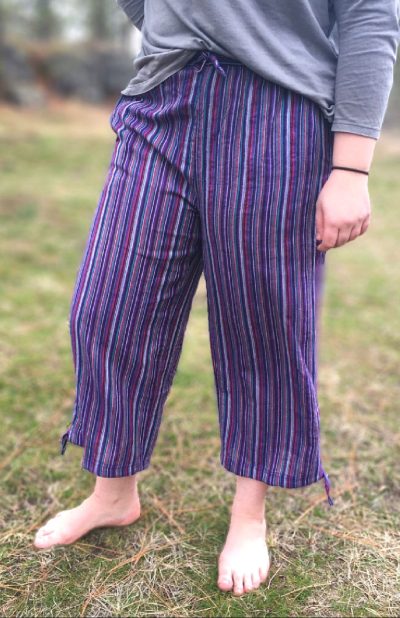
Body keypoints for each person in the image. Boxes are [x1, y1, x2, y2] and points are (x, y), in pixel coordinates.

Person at [33, 0, 400, 597]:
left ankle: (249, 514)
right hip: (162, 96)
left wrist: (352, 167)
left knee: (264, 323)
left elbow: (369, 14)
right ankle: (113, 492)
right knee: (108, 308)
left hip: (276, 105)